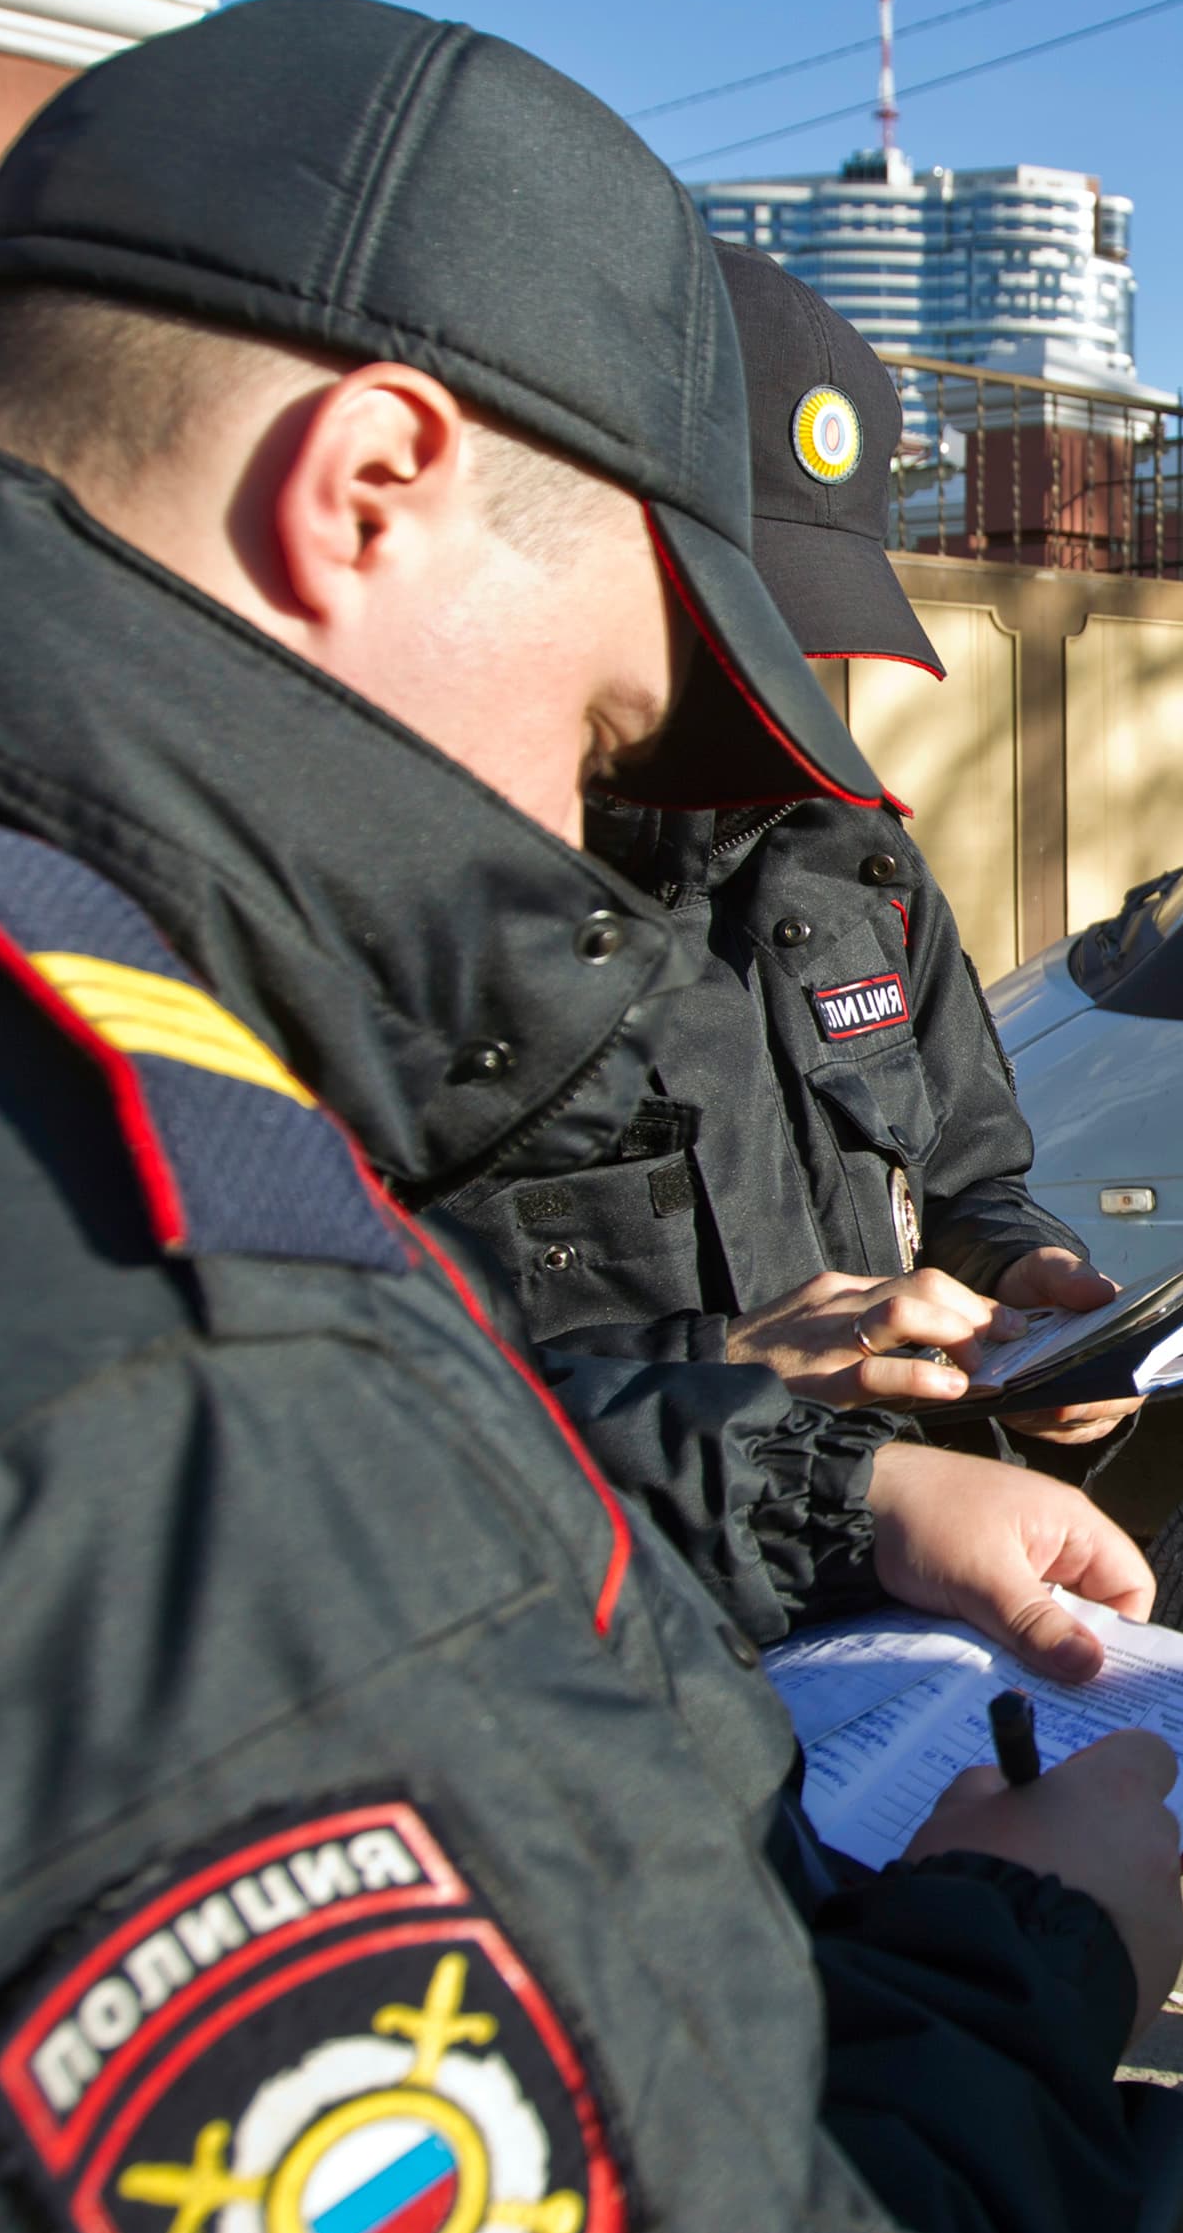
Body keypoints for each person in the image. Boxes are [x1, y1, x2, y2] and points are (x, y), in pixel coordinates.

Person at [0, 0, 1183, 2233]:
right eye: (608, 728)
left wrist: (826, 1498)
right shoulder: (167, 1379)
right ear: (366, 481)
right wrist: (1028, 1963)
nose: (575, 827)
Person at [446, 244, 1135, 1452]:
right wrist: (718, 1373)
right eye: (742, 621)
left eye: (813, 629)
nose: (785, 688)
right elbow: (353, 1404)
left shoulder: (861, 865)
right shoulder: (431, 912)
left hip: (887, 1579)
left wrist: (1027, 1284)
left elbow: (968, 1178)